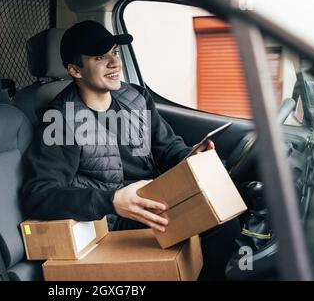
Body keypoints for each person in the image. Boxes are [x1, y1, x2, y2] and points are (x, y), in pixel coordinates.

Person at [22, 20, 239, 280]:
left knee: (225, 210)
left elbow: (166, 147)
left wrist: (191, 157)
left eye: (114, 52)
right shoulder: (60, 120)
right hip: (113, 218)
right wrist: (112, 200)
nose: (115, 63)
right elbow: (39, 194)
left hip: (152, 196)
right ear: (75, 70)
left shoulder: (135, 98)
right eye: (101, 57)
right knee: (219, 226)